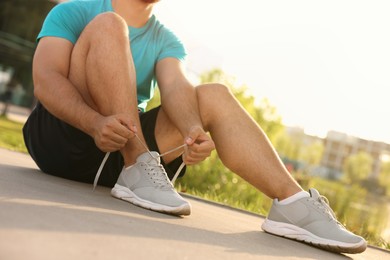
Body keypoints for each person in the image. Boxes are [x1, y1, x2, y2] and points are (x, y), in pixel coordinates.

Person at [23, 0, 366, 254]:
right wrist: (95, 121)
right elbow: (46, 80)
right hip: (63, 137)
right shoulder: (75, 10)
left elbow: (175, 87)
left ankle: (294, 206)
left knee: (215, 94)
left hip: (121, 152)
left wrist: (192, 130)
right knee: (110, 25)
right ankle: (139, 165)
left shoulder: (166, 39)